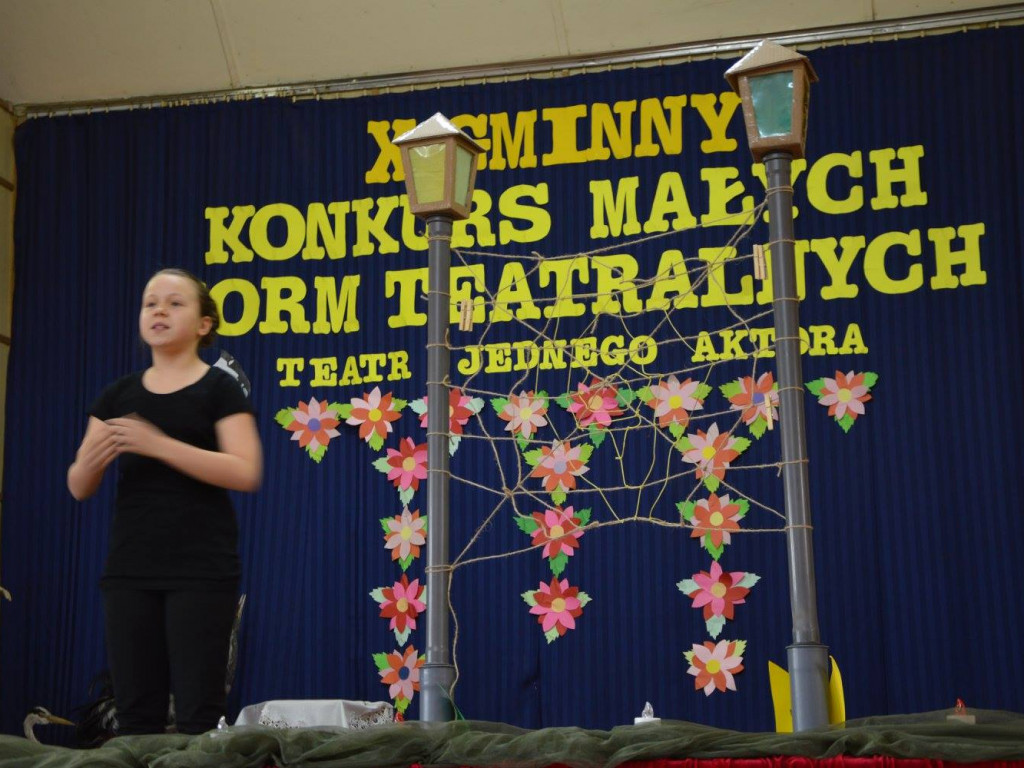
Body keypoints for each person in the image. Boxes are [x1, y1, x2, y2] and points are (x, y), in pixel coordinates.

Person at [67, 268, 262, 735]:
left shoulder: (219, 389)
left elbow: (245, 470)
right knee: (136, 716)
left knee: (198, 715)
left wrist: (159, 445)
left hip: (202, 568)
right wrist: (90, 460)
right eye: (150, 302)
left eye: (175, 303)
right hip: (130, 569)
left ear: (203, 324)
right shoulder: (118, 395)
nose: (159, 310)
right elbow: (78, 485)